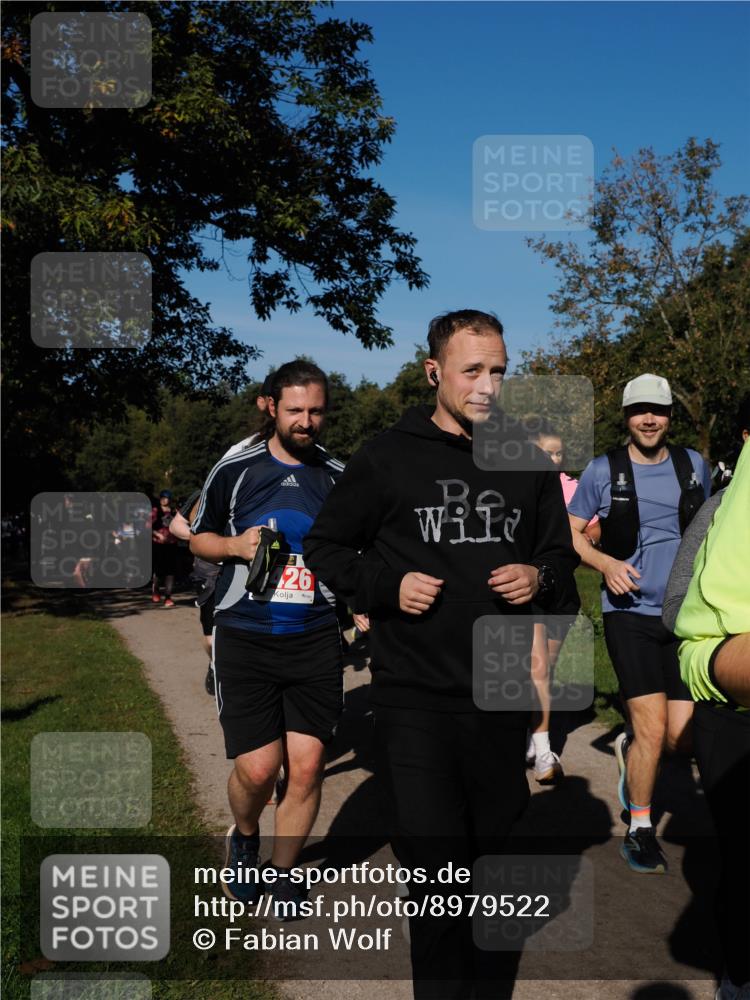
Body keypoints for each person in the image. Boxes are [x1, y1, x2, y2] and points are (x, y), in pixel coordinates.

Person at [304, 309, 580, 997]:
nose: (487, 386)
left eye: (499, 372)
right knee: (435, 875)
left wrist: (538, 576)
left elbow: (559, 559)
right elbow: (326, 547)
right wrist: (386, 585)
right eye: (472, 370)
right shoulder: (387, 456)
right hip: (414, 697)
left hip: (499, 696)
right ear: (433, 372)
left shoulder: (525, 459)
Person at [190, 359, 345, 917]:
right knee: (258, 769)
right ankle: (246, 837)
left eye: (316, 411)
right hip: (245, 635)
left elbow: (357, 549)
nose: (306, 421)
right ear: (271, 407)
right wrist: (235, 546)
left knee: (306, 766)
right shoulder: (237, 467)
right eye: (296, 410)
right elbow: (199, 538)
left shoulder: (338, 475)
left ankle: (284, 873)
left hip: (315, 636)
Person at [568, 373, 711, 874]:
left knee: (681, 739)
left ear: (669, 416)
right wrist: (604, 564)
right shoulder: (602, 470)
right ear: (626, 416)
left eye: (659, 410)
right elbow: (572, 533)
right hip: (629, 615)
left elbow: (708, 528)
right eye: (639, 411)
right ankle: (641, 829)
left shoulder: (693, 465)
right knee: (652, 728)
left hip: (683, 615)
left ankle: (629, 747)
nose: (649, 419)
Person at [525, 420, 600, 783]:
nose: (553, 460)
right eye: (546, 453)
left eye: (558, 454)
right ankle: (543, 752)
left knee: (544, 670)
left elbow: (595, 526)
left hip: (562, 591)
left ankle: (531, 734)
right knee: (537, 668)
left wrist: (582, 538)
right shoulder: (519, 486)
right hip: (529, 588)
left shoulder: (571, 486)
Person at [150, 490, 179, 607]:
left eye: (166, 498)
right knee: (159, 570)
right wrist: (158, 534)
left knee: (170, 571)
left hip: (172, 544)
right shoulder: (155, 511)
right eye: (162, 497)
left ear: (170, 499)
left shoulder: (174, 512)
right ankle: (156, 591)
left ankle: (168, 597)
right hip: (159, 544)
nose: (163, 499)